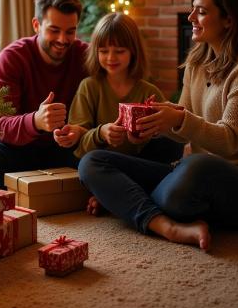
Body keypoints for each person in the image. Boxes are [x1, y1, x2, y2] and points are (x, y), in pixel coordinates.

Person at [78, 0, 238, 251]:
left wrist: (177, 118)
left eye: (201, 12)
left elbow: (229, 140)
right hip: (202, 176)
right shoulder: (198, 61)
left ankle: (123, 199)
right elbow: (183, 127)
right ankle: (167, 226)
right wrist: (158, 121)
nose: (190, 17)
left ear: (229, 19)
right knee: (92, 163)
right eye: (192, 9)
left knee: (192, 171)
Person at [55, 12, 183, 214]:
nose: (110, 58)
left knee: (173, 143)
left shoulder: (148, 91)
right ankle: (126, 195)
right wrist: (101, 132)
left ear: (133, 51)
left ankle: (115, 197)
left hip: (139, 166)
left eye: (119, 51)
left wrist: (141, 137)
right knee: (88, 164)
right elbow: (79, 149)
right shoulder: (89, 87)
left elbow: (166, 147)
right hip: (102, 167)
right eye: (104, 51)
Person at [0, 0, 89, 188]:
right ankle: (52, 189)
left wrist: (80, 131)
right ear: (36, 25)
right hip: (19, 152)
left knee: (103, 158)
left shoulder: (85, 56)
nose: (63, 40)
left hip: (67, 151)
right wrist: (35, 121)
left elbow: (100, 114)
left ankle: (34, 188)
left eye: (70, 32)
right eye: (54, 30)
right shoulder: (13, 57)